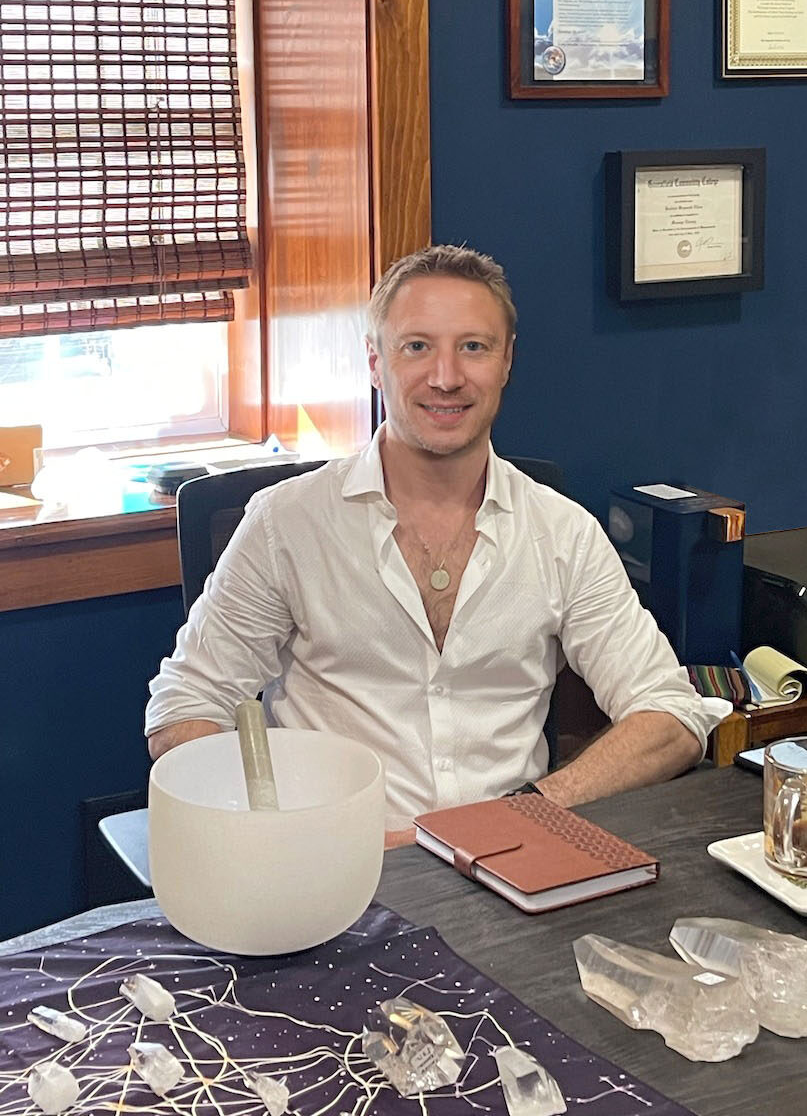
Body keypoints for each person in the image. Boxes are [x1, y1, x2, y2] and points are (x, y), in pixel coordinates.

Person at [145, 245, 720, 845]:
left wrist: (526, 814)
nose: (446, 377)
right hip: (340, 867)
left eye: (473, 346)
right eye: (416, 346)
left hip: (513, 862)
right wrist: (280, 832)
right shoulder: (286, 524)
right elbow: (186, 706)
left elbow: (671, 715)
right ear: (375, 360)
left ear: (506, 362)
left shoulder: (563, 532)